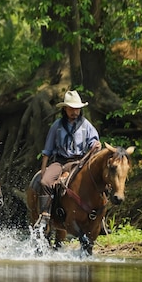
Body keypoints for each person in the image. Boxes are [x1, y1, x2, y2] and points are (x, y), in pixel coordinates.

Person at [33, 90, 101, 231]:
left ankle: (100, 219)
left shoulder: (86, 125)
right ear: (65, 109)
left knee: (99, 183)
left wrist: (95, 144)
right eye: (71, 108)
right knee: (45, 181)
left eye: (77, 109)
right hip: (60, 161)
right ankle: (45, 214)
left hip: (80, 161)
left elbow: (94, 141)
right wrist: (44, 168)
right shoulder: (56, 126)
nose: (74, 112)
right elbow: (47, 149)